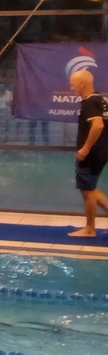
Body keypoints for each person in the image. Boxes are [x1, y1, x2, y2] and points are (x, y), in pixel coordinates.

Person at [71, 69, 108, 237]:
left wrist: (85, 148)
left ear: (81, 83)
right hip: (101, 152)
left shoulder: (89, 102)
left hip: (91, 154)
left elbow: (98, 125)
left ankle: (90, 229)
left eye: (73, 85)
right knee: (90, 188)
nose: (72, 88)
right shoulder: (101, 99)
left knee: (87, 190)